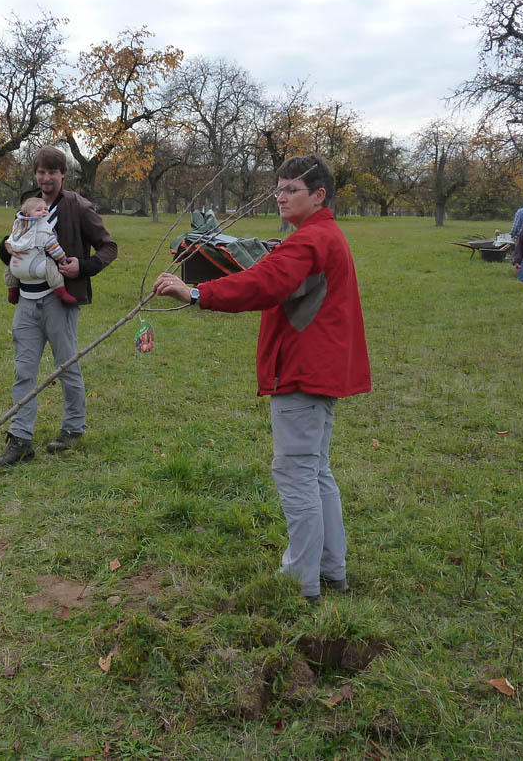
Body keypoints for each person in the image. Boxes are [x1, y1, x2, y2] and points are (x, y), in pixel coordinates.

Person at [153, 154, 370, 601]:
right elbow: (276, 275)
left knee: (296, 473)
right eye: (279, 188)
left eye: (291, 189)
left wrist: (195, 292)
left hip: (304, 371)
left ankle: (302, 580)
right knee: (315, 471)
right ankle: (331, 570)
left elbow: (263, 284)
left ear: (318, 195)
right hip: (319, 370)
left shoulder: (310, 241)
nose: (281, 196)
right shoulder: (320, 235)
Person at [0, 148, 118, 467]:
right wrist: (6, 251)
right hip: (27, 301)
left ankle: (73, 428)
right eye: (41, 172)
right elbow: (13, 242)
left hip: (60, 300)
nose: (46, 178)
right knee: (24, 370)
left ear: (63, 174)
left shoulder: (78, 206)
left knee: (66, 366)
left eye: (52, 172)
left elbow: (109, 247)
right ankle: (20, 440)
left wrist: (83, 266)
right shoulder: (28, 204)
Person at [3, 196, 78, 306]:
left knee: (9, 270)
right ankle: (60, 291)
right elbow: (54, 247)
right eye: (38, 210)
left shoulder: (18, 226)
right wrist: (63, 259)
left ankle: (12, 290)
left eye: (45, 209)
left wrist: (7, 245)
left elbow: (10, 241)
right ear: (28, 214)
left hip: (16, 267)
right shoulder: (45, 229)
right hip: (37, 267)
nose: (43, 211)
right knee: (51, 267)